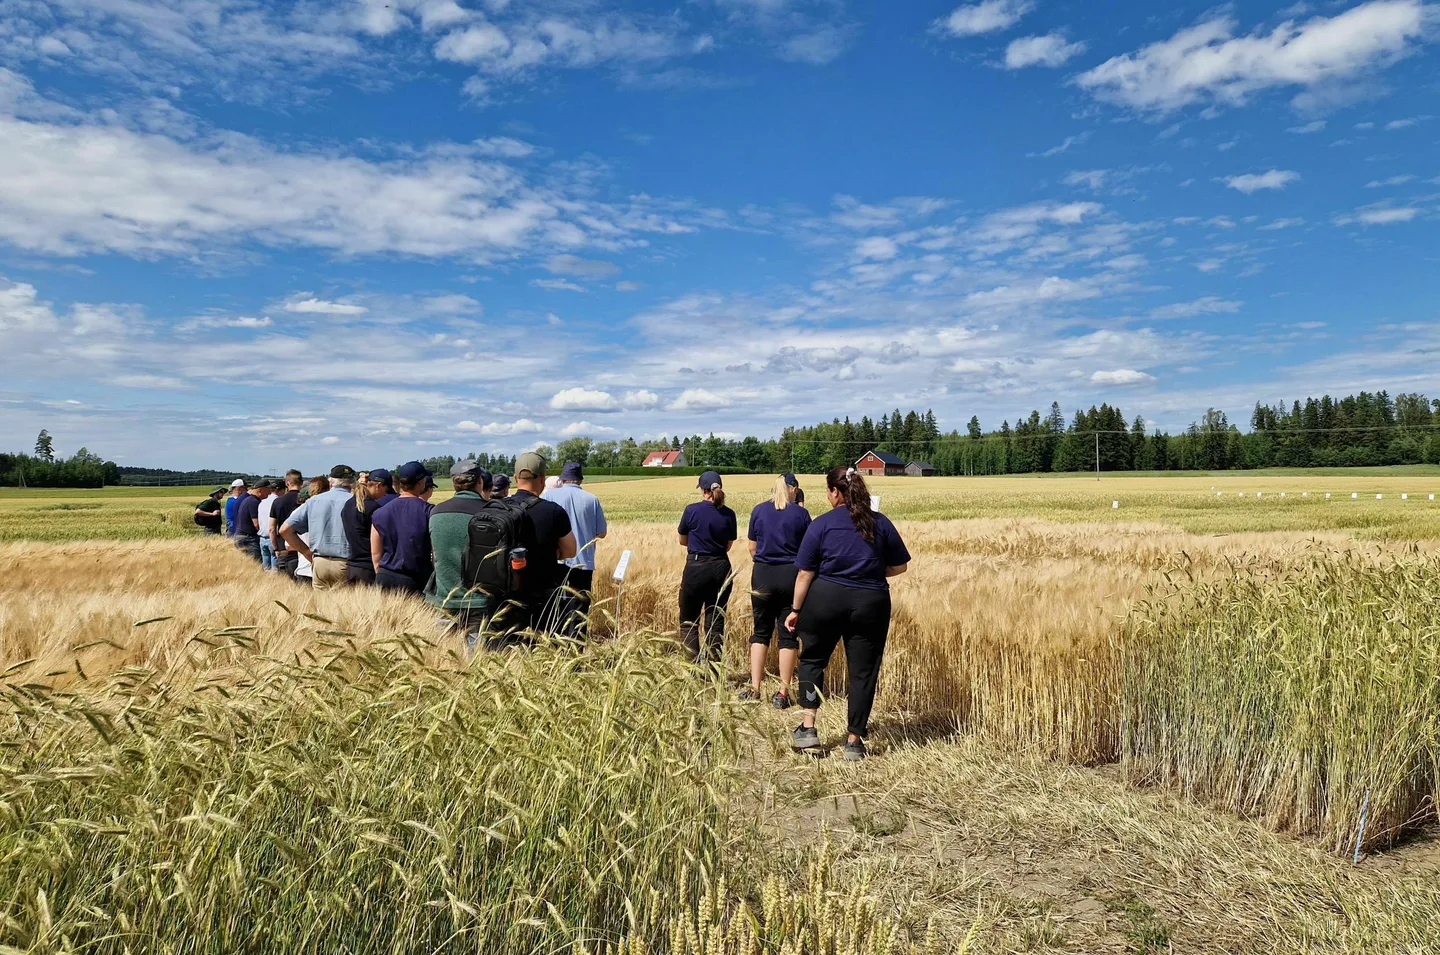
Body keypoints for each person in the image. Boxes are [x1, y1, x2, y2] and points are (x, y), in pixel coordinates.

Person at [785, 467, 911, 762]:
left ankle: (808, 728)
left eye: (828, 491)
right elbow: (900, 566)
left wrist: (795, 610)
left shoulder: (822, 524)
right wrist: (872, 571)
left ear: (835, 492)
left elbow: (805, 573)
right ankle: (854, 741)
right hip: (871, 602)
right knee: (863, 671)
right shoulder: (879, 523)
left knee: (814, 659)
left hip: (826, 599)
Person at [743, 473, 811, 708]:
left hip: (762, 574)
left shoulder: (759, 510)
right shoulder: (801, 514)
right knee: (788, 633)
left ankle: (754, 688)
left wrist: (765, 562)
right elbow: (809, 550)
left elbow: (752, 548)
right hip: (790, 576)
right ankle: (783, 692)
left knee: (760, 632)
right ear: (793, 489)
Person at [491, 452, 576, 636]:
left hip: (501, 598)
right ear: (543, 479)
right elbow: (570, 551)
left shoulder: (495, 509)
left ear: (515, 478)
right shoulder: (553, 511)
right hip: (541, 599)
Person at [426, 460, 494, 649]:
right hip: (480, 599)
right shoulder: (492, 512)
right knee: (477, 658)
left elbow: (434, 554)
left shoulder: (436, 512)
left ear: (454, 483)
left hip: (445, 596)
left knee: (443, 656)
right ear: (479, 481)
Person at [676, 471, 737, 667]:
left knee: (689, 620)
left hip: (696, 566)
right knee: (715, 622)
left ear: (703, 490)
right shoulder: (729, 514)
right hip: (721, 567)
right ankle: (713, 670)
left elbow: (682, 540)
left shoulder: (692, 510)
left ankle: (691, 667)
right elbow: (728, 545)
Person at [542, 462, 608, 640]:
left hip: (557, 562)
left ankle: (555, 648)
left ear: (562, 479)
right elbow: (602, 532)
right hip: (583, 563)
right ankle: (576, 650)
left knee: (556, 608)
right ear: (580, 479)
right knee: (579, 611)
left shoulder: (549, 496)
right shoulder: (591, 499)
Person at [279, 465, 357, 590]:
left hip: (319, 562)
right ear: (353, 483)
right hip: (347, 563)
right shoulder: (357, 502)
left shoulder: (314, 501)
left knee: (320, 607)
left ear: (331, 482)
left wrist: (305, 552)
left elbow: (285, 530)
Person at [370, 461, 435, 594]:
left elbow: (376, 553)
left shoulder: (380, 512)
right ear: (421, 483)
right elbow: (435, 553)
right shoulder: (429, 511)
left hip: (385, 576)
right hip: (416, 579)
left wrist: (380, 573)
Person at [342, 468, 396, 585]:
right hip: (368, 568)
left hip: (352, 566)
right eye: (386, 490)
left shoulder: (348, 504)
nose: (385, 494)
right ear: (379, 486)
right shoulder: (373, 508)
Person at [269, 470, 305, 580]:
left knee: (285, 581)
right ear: (301, 482)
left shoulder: (278, 502)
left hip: (284, 547)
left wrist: (276, 548)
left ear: (287, 483)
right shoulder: (306, 500)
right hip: (304, 546)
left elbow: (271, 528)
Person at [232, 481, 272, 563]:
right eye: (268, 490)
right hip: (249, 539)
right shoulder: (254, 502)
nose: (269, 493)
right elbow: (256, 524)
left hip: (240, 536)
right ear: (261, 490)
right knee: (255, 564)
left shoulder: (247, 500)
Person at [257, 481, 278, 570]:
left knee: (266, 568)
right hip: (273, 537)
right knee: (275, 570)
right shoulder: (278, 501)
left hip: (262, 537)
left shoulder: (262, 502)